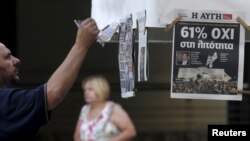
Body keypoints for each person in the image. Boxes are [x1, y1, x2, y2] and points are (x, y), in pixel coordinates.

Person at [0, 18, 99, 141]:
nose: (16, 60)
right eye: (7, 57)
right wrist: (81, 45)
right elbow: (53, 93)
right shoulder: (4, 101)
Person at [74, 75, 136, 141]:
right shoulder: (85, 110)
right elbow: (77, 136)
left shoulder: (113, 109)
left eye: (90, 89)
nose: (86, 93)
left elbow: (130, 132)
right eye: (85, 90)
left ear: (100, 89)